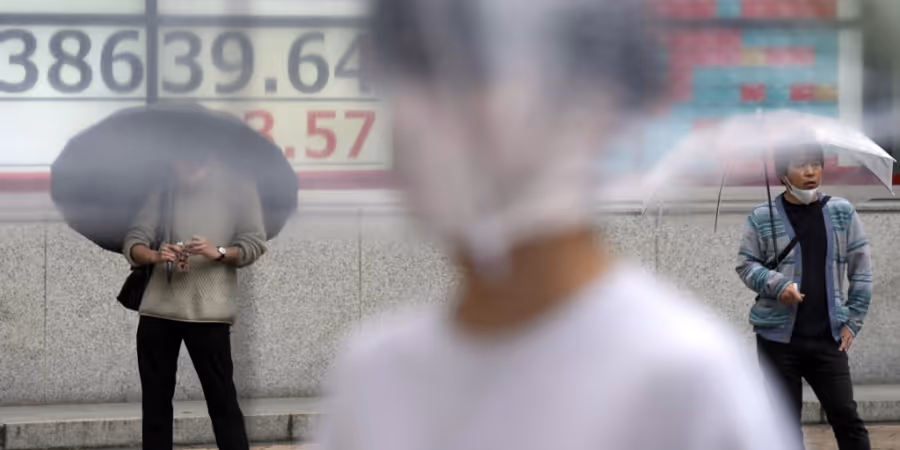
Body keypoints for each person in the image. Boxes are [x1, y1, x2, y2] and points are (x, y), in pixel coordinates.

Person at [318, 1, 799, 449]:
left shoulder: (682, 379)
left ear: (589, 103)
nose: (413, 115)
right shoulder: (375, 376)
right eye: (404, 72)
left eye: (470, 71)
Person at [124, 148, 267, 450]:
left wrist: (218, 252)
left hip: (210, 314)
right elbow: (134, 240)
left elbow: (254, 243)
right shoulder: (164, 184)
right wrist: (156, 254)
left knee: (223, 402)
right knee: (155, 406)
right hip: (158, 311)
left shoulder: (239, 184)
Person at [736, 144, 872, 450]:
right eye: (800, 165)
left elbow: (862, 270)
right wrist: (776, 284)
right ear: (782, 173)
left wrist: (853, 322)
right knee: (783, 426)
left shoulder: (842, 212)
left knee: (847, 419)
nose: (810, 172)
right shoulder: (762, 216)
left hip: (828, 338)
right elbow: (746, 265)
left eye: (816, 164)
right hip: (777, 341)